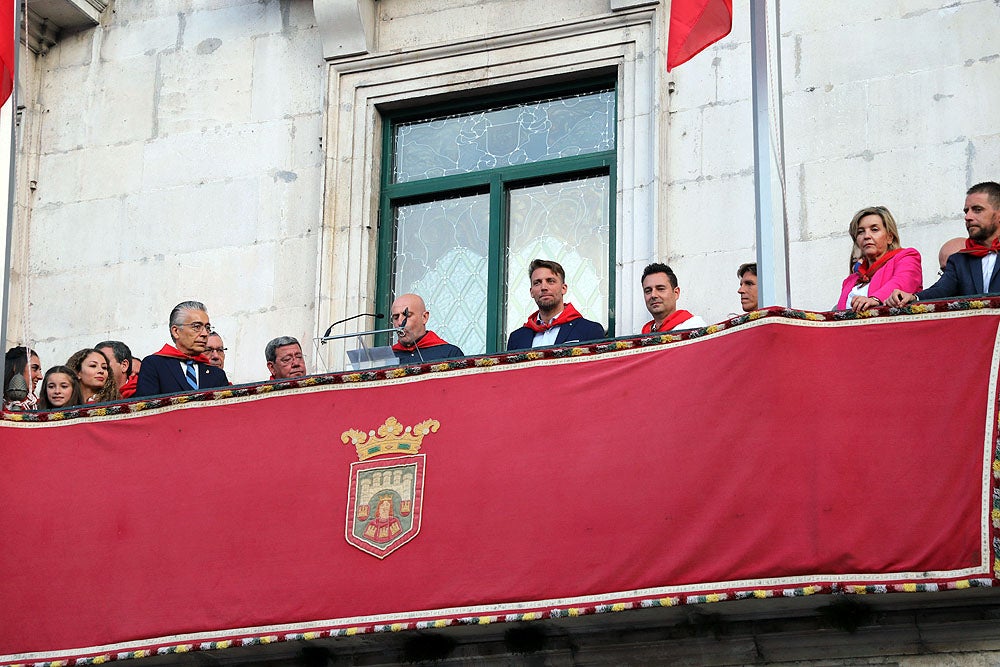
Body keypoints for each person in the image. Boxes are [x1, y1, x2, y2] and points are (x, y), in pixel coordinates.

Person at [888, 182, 1000, 306]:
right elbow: (941, 290)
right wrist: (914, 297)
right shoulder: (959, 261)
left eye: (977, 210)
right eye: (966, 211)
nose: (968, 217)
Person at [135, 300, 230, 397]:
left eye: (207, 328)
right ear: (176, 331)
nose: (205, 334)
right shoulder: (155, 365)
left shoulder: (217, 373)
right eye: (197, 327)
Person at [836, 206, 922, 312]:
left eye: (874, 230)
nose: (866, 236)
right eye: (860, 232)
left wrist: (875, 299)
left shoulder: (906, 257)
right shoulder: (851, 280)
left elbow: (902, 281)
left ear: (890, 237)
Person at [506, 259, 605, 350]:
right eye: (537, 283)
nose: (543, 287)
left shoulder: (589, 330)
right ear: (531, 292)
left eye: (551, 281)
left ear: (563, 288)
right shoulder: (517, 338)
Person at [389, 294, 464, 364]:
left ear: (424, 317)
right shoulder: (387, 358)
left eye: (407, 316)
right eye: (396, 317)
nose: (400, 322)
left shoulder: (450, 354)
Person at [640, 263, 707, 333]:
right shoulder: (644, 335)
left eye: (660, 289)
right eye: (648, 291)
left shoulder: (694, 326)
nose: (653, 295)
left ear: (676, 293)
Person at [3, 346, 42, 411]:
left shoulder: (40, 407)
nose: (41, 376)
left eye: (40, 370)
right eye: (34, 368)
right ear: (16, 368)